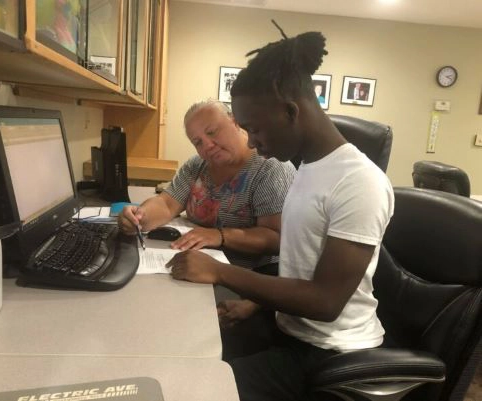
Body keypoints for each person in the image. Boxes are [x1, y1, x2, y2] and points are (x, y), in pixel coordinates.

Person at [165, 23, 394, 401]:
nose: (251, 141)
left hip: (329, 354)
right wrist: (254, 302)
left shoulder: (359, 182)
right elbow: (301, 264)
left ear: (290, 111)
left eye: (254, 129)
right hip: (286, 327)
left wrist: (221, 271)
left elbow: (325, 301)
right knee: (181, 344)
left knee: (189, 389)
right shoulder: (308, 168)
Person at [118, 99, 296, 272]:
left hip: (248, 277)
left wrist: (220, 235)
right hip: (195, 265)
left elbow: (276, 238)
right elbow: (166, 204)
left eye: (212, 132)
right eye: (198, 142)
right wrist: (139, 217)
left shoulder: (270, 168)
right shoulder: (196, 166)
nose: (208, 145)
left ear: (235, 122)